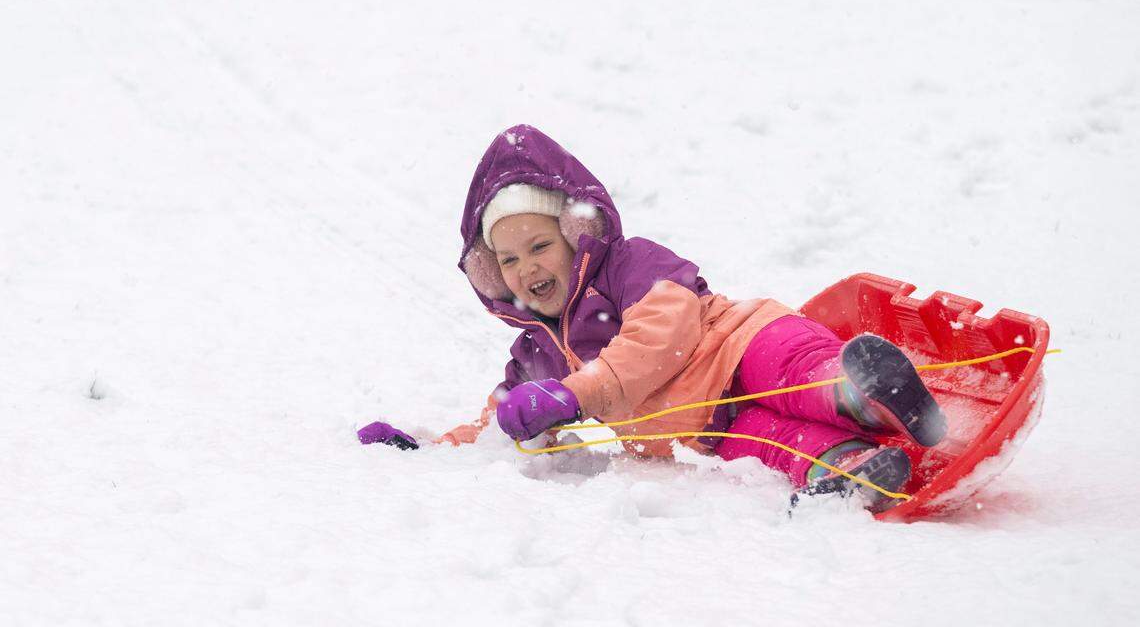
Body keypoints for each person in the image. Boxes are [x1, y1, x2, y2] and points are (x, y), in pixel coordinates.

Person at [358, 125, 947, 512]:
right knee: (771, 445)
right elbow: (499, 428)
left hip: (739, 343)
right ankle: (854, 468)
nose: (525, 268)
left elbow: (664, 330)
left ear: (572, 236)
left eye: (539, 246)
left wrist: (579, 394)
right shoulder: (536, 354)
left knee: (795, 372)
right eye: (507, 260)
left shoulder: (628, 263)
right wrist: (431, 449)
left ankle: (864, 391)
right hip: (706, 423)